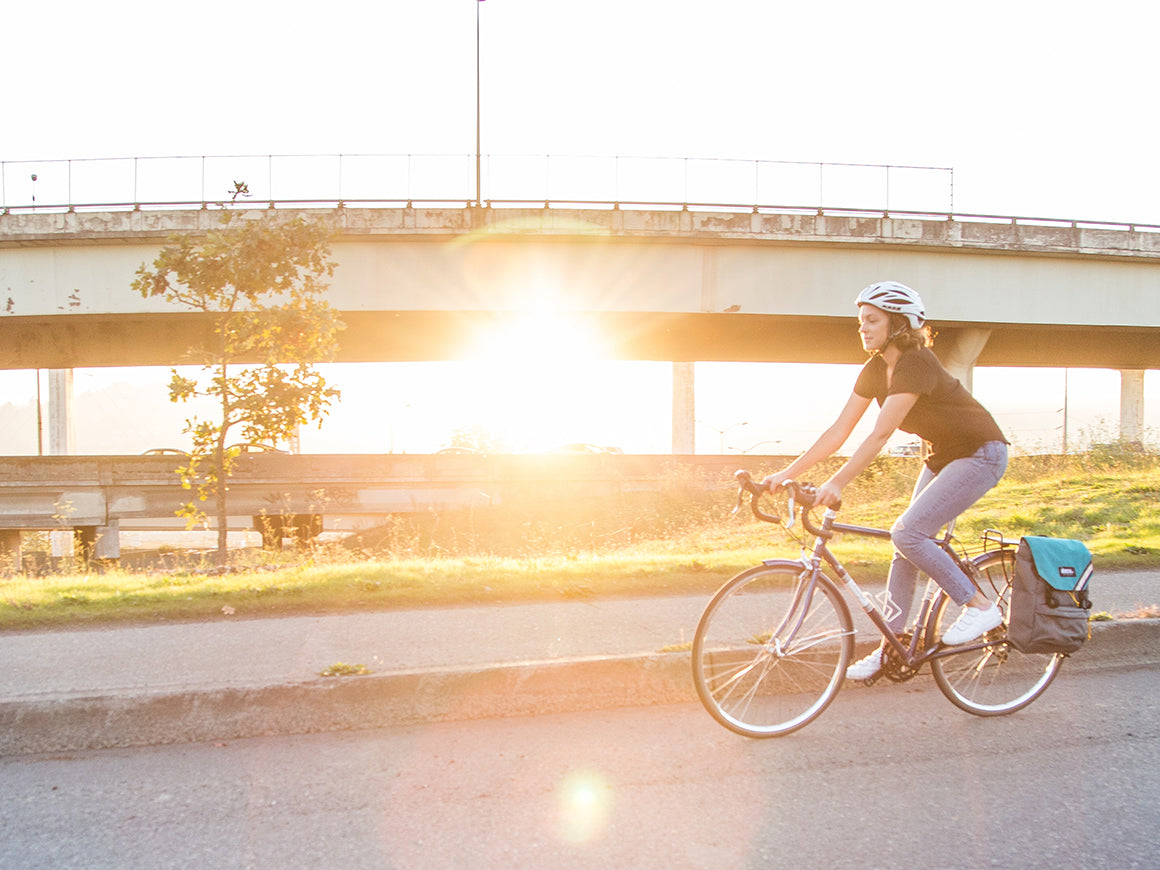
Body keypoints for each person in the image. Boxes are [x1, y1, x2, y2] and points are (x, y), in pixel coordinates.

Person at [762, 281, 1010, 681]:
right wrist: (787, 473)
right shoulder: (876, 369)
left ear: (898, 324)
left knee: (908, 533)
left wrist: (838, 482)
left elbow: (880, 433)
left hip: (981, 454)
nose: (862, 328)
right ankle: (891, 648)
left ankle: (980, 606)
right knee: (905, 548)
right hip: (943, 456)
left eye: (872, 320)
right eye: (861, 320)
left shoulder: (916, 363)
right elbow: (838, 430)